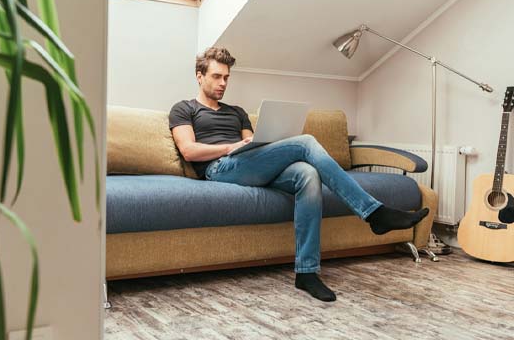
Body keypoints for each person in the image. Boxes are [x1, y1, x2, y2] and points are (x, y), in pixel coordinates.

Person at [168, 47, 429, 302]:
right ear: (199, 76)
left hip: (250, 164)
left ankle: (306, 272)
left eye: (226, 77)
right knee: (305, 142)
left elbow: (254, 143)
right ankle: (374, 213)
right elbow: (189, 151)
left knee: (307, 173)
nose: (223, 83)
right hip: (220, 168)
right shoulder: (184, 109)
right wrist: (230, 147)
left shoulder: (236, 112)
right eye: (216, 76)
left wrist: (262, 143)